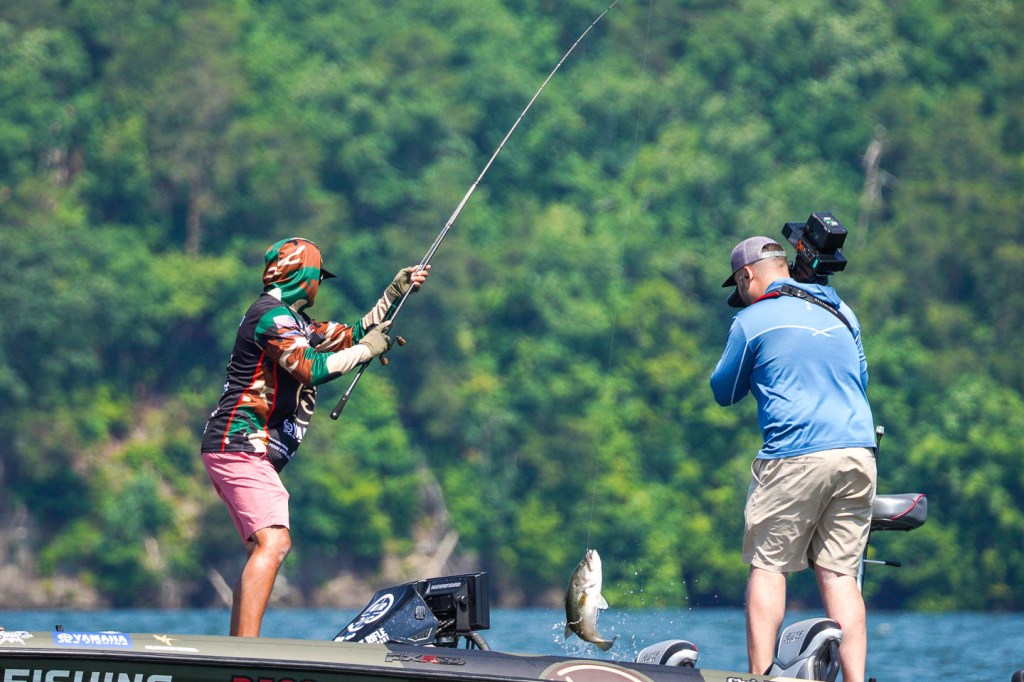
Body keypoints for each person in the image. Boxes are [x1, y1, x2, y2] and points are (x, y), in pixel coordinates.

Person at [200, 236, 429, 637]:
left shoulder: (298, 323)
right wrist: (366, 351)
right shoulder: (271, 318)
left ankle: (237, 646)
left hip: (237, 448)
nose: (318, 285)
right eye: (317, 277)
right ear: (301, 274)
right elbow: (312, 368)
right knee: (274, 542)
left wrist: (394, 293)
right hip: (239, 443)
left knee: (261, 547)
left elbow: (355, 333)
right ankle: (244, 649)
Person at [709, 236, 877, 682]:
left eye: (739, 286)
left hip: (796, 454)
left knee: (769, 566)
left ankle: (761, 678)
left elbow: (723, 391)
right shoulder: (842, 311)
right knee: (840, 575)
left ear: (747, 275)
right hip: (858, 452)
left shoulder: (752, 320)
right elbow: (860, 379)